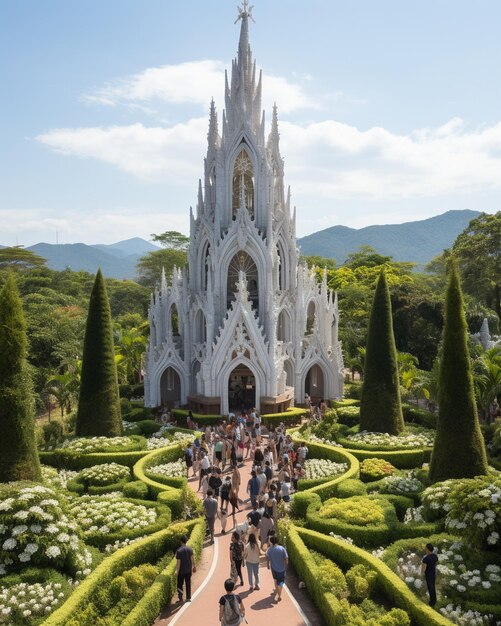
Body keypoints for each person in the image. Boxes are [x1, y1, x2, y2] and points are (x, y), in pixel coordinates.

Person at [266, 535, 288, 602]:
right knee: (281, 582)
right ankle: (279, 595)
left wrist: (268, 566)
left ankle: (278, 594)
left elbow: (268, 559)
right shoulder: (282, 548)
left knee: (275, 581)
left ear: (271, 542)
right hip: (282, 568)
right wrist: (286, 565)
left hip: (274, 569)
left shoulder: (269, 550)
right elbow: (286, 558)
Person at [176, 534, 196, 602]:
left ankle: (180, 597)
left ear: (181, 541)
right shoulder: (190, 549)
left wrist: (177, 572)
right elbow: (192, 559)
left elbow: (178, 563)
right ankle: (188, 598)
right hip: (188, 570)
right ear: (186, 541)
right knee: (188, 583)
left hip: (181, 571)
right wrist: (194, 567)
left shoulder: (179, 551)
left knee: (180, 584)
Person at [421, 543, 439, 607]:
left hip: (428, 575)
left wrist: (421, 575)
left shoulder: (425, 559)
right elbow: (436, 564)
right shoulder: (435, 556)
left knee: (430, 588)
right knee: (433, 587)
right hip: (433, 574)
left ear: (428, 549)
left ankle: (432, 602)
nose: (425, 549)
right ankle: (434, 600)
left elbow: (423, 569)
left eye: (425, 548)